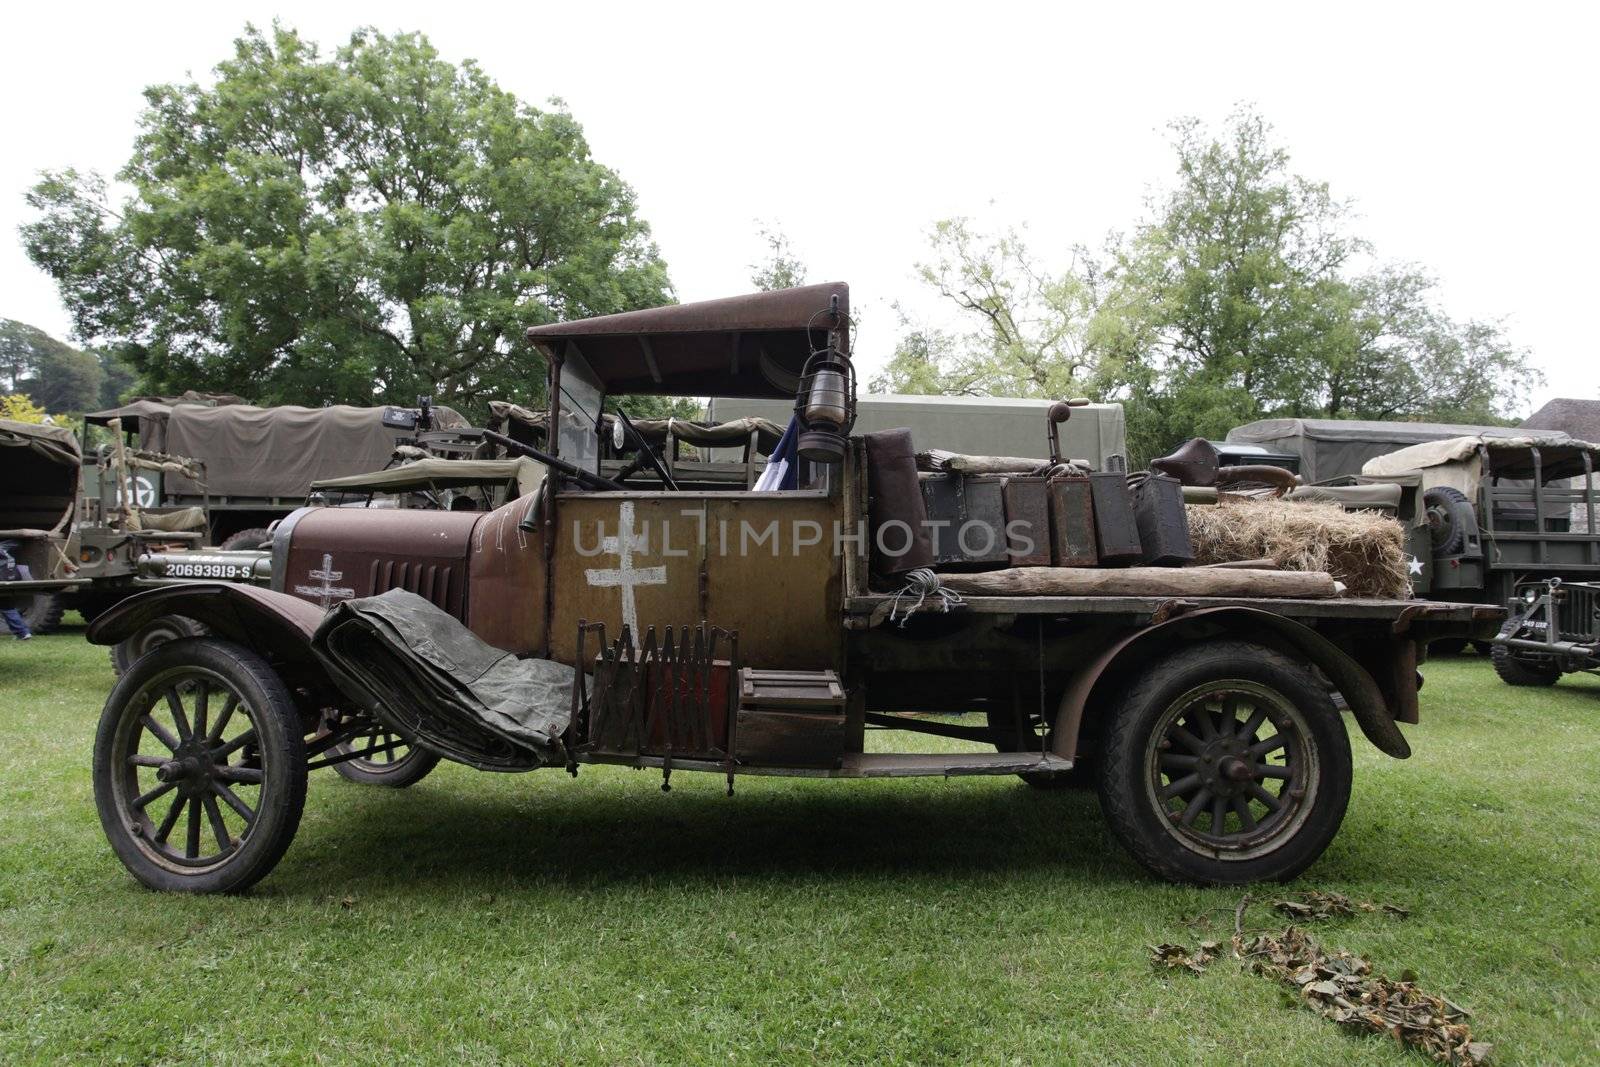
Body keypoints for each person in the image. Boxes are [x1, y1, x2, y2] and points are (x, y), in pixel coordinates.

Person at [0, 540, 35, 641]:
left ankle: (22, 632)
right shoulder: (4, 547)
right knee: (7, 607)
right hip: (11, 579)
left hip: (2, 579)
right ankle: (23, 633)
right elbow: (17, 543)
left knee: (6, 607)